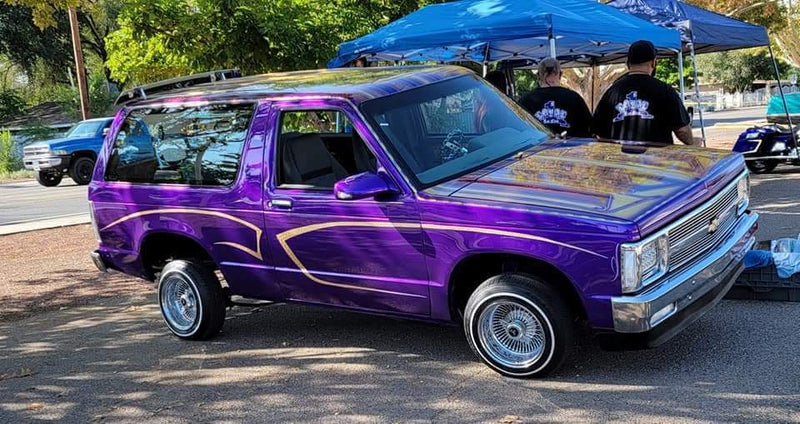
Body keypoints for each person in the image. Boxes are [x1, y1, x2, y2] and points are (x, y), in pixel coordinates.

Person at [592, 40, 700, 146]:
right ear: (654, 62)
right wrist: (692, 142)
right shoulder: (665, 91)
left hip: (621, 161)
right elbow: (682, 131)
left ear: (628, 64)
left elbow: (599, 134)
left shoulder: (612, 91)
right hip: (656, 161)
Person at [520, 58, 592, 137]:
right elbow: (589, 128)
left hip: (536, 148)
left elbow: (518, 130)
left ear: (538, 75)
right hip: (569, 148)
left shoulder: (525, 100)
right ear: (560, 74)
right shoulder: (575, 98)